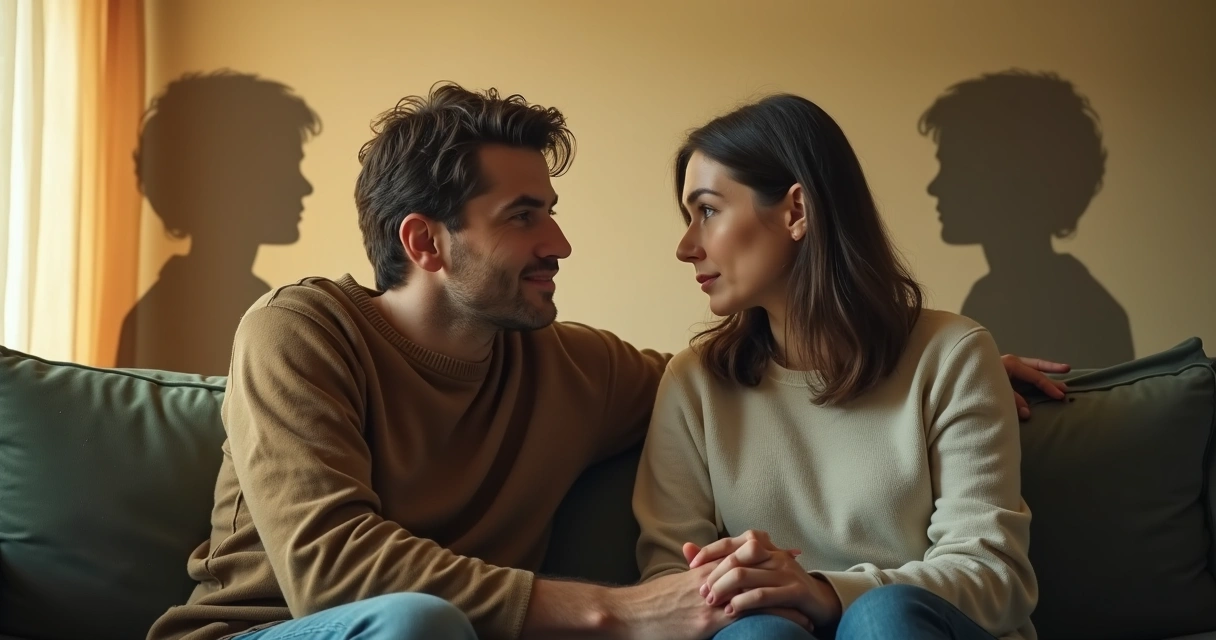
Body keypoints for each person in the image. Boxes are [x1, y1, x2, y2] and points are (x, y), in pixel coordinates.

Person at [147, 83, 1067, 640]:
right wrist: (617, 613)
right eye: (523, 217)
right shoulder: (300, 333)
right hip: (270, 632)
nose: (559, 243)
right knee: (419, 624)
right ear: (424, 242)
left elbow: (766, 375)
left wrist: (933, 359)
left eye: (549, 211)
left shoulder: (575, 368)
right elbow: (333, 570)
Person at [632, 92, 1050, 640]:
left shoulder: (953, 355)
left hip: (912, 629)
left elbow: (994, 573)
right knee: (755, 634)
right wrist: (755, 601)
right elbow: (670, 584)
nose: (686, 246)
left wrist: (825, 592)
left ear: (796, 212)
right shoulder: (694, 384)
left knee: (884, 617)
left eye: (707, 211)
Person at [117, 70, 319, 376]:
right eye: (287, 166)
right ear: (232, 180)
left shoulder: (252, 300)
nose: (305, 187)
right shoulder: (175, 316)